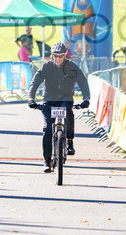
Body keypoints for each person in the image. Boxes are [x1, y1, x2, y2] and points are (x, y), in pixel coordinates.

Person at [27, 42, 91, 173]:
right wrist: (31, 99)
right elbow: (35, 82)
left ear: (64, 56)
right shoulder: (47, 67)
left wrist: (86, 99)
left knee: (69, 115)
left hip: (66, 99)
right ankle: (47, 161)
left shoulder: (71, 66)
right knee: (47, 129)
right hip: (49, 100)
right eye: (55, 56)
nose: (57, 59)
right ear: (52, 56)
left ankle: (69, 140)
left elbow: (82, 81)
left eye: (60, 56)